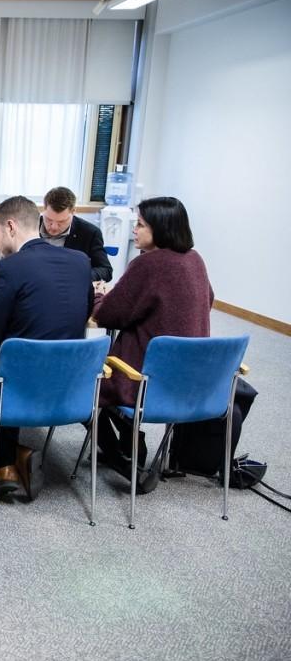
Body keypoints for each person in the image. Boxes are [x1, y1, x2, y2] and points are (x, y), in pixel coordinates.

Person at [0, 196, 93, 501]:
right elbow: (82, 317)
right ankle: (17, 455)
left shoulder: (9, 268)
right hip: (70, 385)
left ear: (11, 227)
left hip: (18, 386)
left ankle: (6, 465)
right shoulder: (81, 262)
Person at [92, 196, 213, 487]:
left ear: (161, 228)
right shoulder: (195, 260)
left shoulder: (148, 264)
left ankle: (124, 460)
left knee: (83, 385)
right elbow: (208, 299)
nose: (135, 230)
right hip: (192, 380)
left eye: (141, 225)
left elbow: (110, 315)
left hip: (144, 379)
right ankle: (128, 441)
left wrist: (98, 295)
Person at [41, 186, 113, 282]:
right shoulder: (30, 226)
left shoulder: (90, 233)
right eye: (49, 220)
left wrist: (78, 276)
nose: (53, 227)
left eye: (61, 222)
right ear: (44, 209)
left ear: (73, 212)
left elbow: (106, 270)